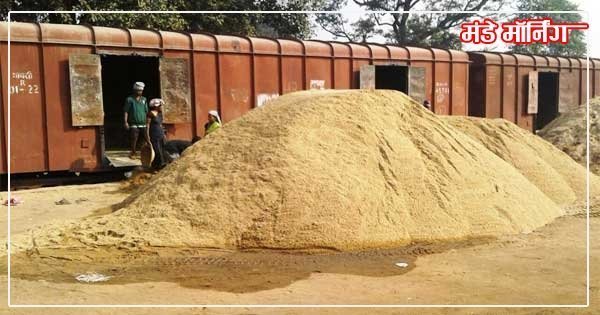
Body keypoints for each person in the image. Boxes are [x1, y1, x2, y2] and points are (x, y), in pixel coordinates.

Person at [124, 82, 148, 159]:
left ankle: (145, 153)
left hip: (143, 123)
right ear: (134, 90)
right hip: (134, 123)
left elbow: (146, 111)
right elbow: (126, 111)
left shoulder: (144, 99)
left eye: (141, 91)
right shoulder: (129, 99)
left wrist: (148, 122)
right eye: (138, 90)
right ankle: (133, 152)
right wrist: (125, 122)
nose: (139, 92)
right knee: (134, 138)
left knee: (146, 138)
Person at [145, 98, 167, 170]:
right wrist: (147, 137)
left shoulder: (160, 114)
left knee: (163, 150)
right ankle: (157, 167)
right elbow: (147, 126)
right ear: (156, 106)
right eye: (160, 106)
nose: (161, 107)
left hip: (161, 135)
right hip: (154, 136)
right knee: (157, 151)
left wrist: (164, 134)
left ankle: (162, 166)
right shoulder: (150, 114)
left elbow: (160, 125)